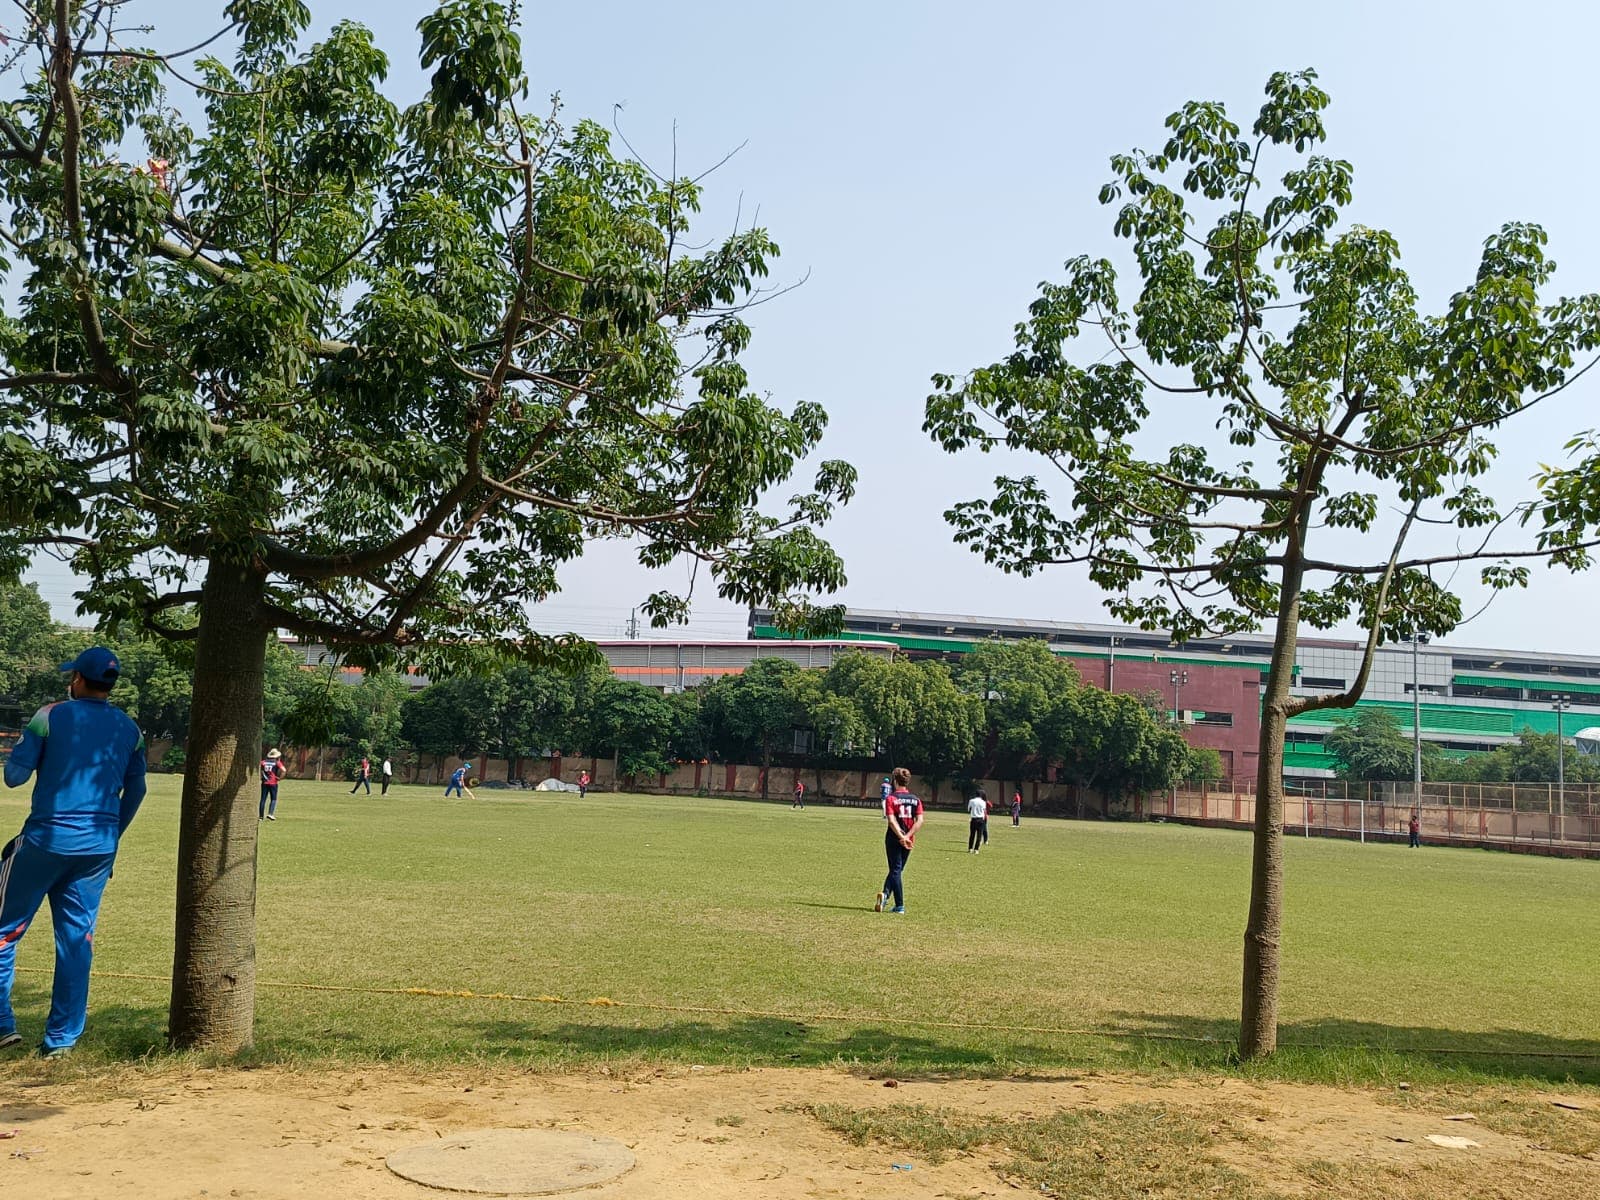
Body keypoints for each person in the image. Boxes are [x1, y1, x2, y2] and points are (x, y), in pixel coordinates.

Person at [0, 647, 146, 1057]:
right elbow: (137, 789)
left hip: (46, 839)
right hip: (98, 848)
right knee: (76, 941)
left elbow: (14, 777)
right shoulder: (130, 729)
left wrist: (28, 746)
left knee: (3, 932)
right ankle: (61, 1041)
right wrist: (112, 836)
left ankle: (2, 1025)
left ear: (78, 679)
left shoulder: (49, 715)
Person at [874, 767, 924, 914]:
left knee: (895, 870)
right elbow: (920, 820)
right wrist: (908, 836)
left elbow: (891, 820)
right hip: (909, 839)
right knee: (898, 870)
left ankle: (900, 905)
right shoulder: (915, 800)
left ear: (895, 781)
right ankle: (885, 895)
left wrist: (901, 836)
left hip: (894, 838)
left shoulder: (891, 798)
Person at [259, 748, 287, 820]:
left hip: (264, 783)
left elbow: (260, 770)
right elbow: (284, 770)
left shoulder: (263, 762)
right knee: (273, 799)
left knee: (263, 799)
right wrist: (280, 778)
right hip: (273, 783)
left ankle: (261, 816)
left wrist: (261, 777)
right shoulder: (277, 762)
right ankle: (270, 814)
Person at [966, 788, 986, 853]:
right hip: (980, 820)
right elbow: (984, 810)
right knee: (979, 835)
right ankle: (976, 849)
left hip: (973, 819)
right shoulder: (983, 802)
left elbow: (969, 809)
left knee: (972, 834)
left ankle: (970, 848)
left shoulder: (971, 801)